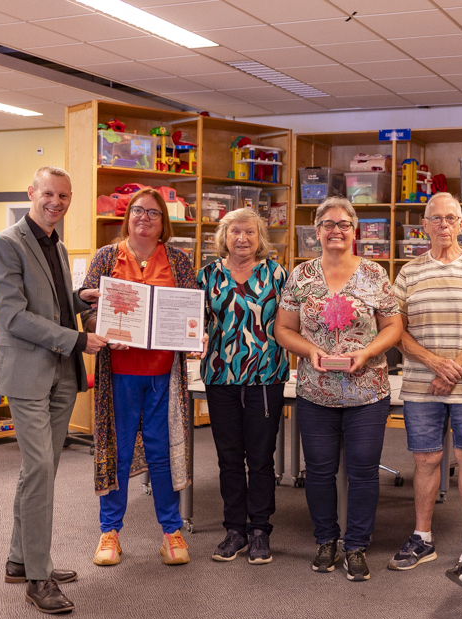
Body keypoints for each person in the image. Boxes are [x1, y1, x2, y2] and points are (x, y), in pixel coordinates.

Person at [0, 166, 107, 615]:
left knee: (43, 468)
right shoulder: (4, 244)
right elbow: (14, 316)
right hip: (27, 372)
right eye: (49, 194)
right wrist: (78, 338)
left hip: (60, 373)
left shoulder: (54, 242)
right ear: (32, 193)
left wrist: (82, 299)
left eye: (65, 196)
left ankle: (20, 560)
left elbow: (51, 302)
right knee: (38, 469)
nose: (56, 202)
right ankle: (38, 577)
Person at [274, 197, 403, 582]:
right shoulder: (301, 276)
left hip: (367, 392)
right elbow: (283, 329)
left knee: (363, 472)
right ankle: (326, 540)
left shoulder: (376, 274)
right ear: (317, 231)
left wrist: (367, 352)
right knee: (318, 471)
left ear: (355, 230)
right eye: (328, 224)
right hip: (316, 392)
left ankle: (357, 546)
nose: (336, 230)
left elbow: (393, 327)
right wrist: (309, 349)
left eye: (344, 224)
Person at [79, 188, 198, 568]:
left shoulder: (178, 262)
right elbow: (86, 312)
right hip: (119, 373)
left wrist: (194, 337)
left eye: (152, 213)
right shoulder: (106, 257)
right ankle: (110, 531)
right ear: (126, 217)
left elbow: (193, 312)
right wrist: (104, 331)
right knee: (118, 450)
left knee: (163, 452)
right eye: (137, 211)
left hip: (164, 373)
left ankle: (171, 531)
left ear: (164, 222)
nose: (144, 218)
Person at [389, 192, 462, 571]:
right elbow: (395, 330)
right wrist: (434, 363)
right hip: (422, 383)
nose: (443, 224)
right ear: (424, 226)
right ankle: (422, 538)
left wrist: (453, 368)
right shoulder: (408, 272)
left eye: (450, 218)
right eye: (435, 218)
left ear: (461, 224)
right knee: (425, 460)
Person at [198, 208, 289, 565]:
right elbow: (196, 323)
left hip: (265, 377)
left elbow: (291, 322)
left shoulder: (277, 274)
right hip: (220, 377)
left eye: (249, 232)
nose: (242, 239)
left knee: (262, 457)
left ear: (259, 236)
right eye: (235, 232)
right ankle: (234, 529)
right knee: (229, 458)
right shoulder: (207, 275)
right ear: (225, 235)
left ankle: (260, 530)